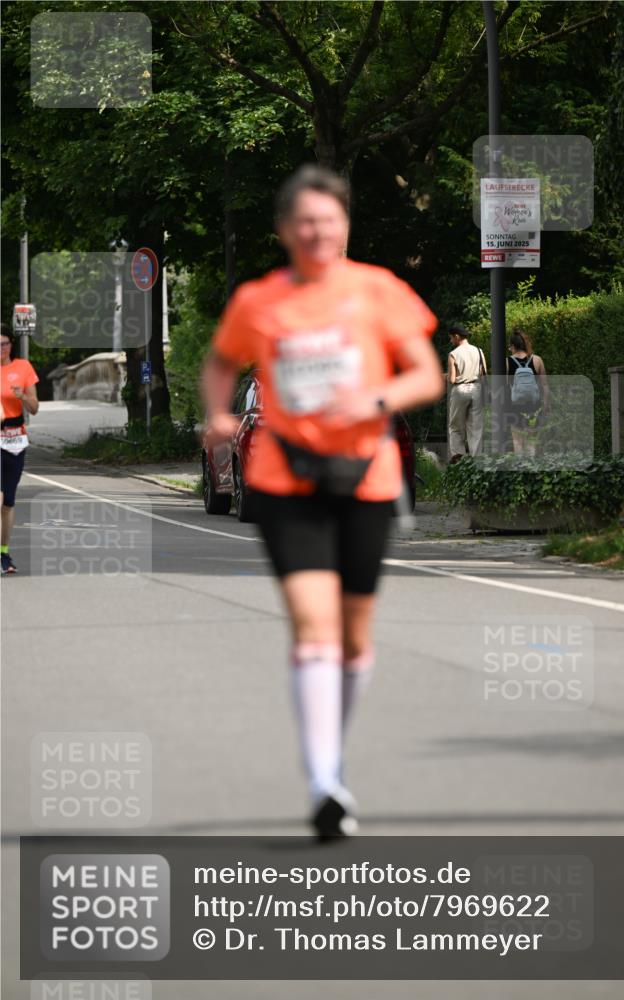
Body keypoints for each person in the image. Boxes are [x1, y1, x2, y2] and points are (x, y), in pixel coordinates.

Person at [201, 164, 443, 839]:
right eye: (305, 222)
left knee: (354, 635)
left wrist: (374, 399)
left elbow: (423, 373)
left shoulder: (378, 291)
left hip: (364, 477)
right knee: (313, 628)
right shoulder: (258, 301)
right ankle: (323, 784)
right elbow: (221, 362)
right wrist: (219, 413)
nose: (317, 232)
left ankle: (329, 759)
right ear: (284, 231)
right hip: (285, 480)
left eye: (329, 221)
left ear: (344, 227)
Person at [1, 323, 39, 575]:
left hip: (15, 440)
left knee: (8, 504)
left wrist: (22, 396)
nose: (0, 349)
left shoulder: (23, 368)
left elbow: (35, 407)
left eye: (3, 343)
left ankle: (4, 553)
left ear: (10, 345)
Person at [506, 329, 549, 456]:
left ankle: (520, 471)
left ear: (513, 346)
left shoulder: (507, 362)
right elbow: (545, 385)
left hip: (515, 407)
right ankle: (531, 470)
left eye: (510, 347)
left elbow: (503, 386)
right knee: (531, 442)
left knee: (518, 442)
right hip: (534, 406)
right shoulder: (537, 360)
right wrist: (546, 405)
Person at [446, 324, 486, 461]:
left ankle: (459, 459)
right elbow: (483, 373)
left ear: (457, 336)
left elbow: (451, 379)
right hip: (476, 388)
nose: (451, 341)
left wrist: (443, 376)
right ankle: (476, 461)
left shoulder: (453, 354)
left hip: (460, 389)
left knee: (456, 426)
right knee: (476, 427)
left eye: (451, 338)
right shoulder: (479, 351)